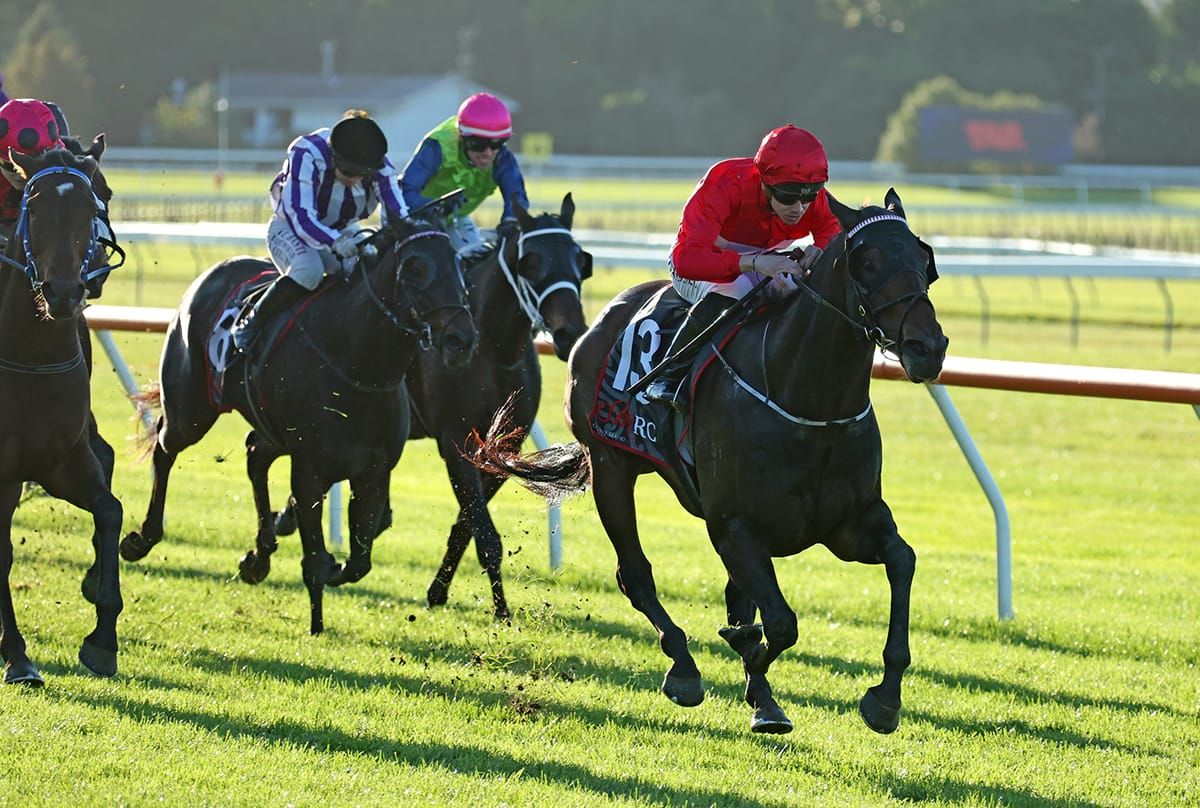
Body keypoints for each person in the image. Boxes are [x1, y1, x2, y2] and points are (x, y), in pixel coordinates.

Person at [644, 124, 843, 411]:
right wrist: (754, 262)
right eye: (787, 196)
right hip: (701, 262)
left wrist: (820, 249)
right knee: (737, 292)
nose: (799, 207)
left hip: (763, 258)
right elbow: (687, 259)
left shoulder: (807, 194)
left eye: (808, 196)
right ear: (764, 182)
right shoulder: (725, 182)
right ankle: (667, 375)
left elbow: (831, 229)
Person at [232, 110, 409, 351]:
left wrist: (412, 230)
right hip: (290, 227)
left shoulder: (379, 165)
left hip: (343, 229)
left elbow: (398, 211)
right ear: (333, 156)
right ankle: (251, 322)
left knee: (366, 272)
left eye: (362, 174)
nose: (355, 179)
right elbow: (301, 216)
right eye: (348, 171)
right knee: (309, 270)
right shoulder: (306, 153)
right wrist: (335, 242)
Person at [399, 92, 529, 255]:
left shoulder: (502, 157)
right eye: (479, 144)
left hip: (455, 218)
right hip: (411, 215)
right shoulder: (436, 147)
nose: (488, 153)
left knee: (473, 259)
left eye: (497, 143)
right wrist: (438, 207)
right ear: (462, 137)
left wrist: (510, 222)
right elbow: (405, 192)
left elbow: (516, 197)